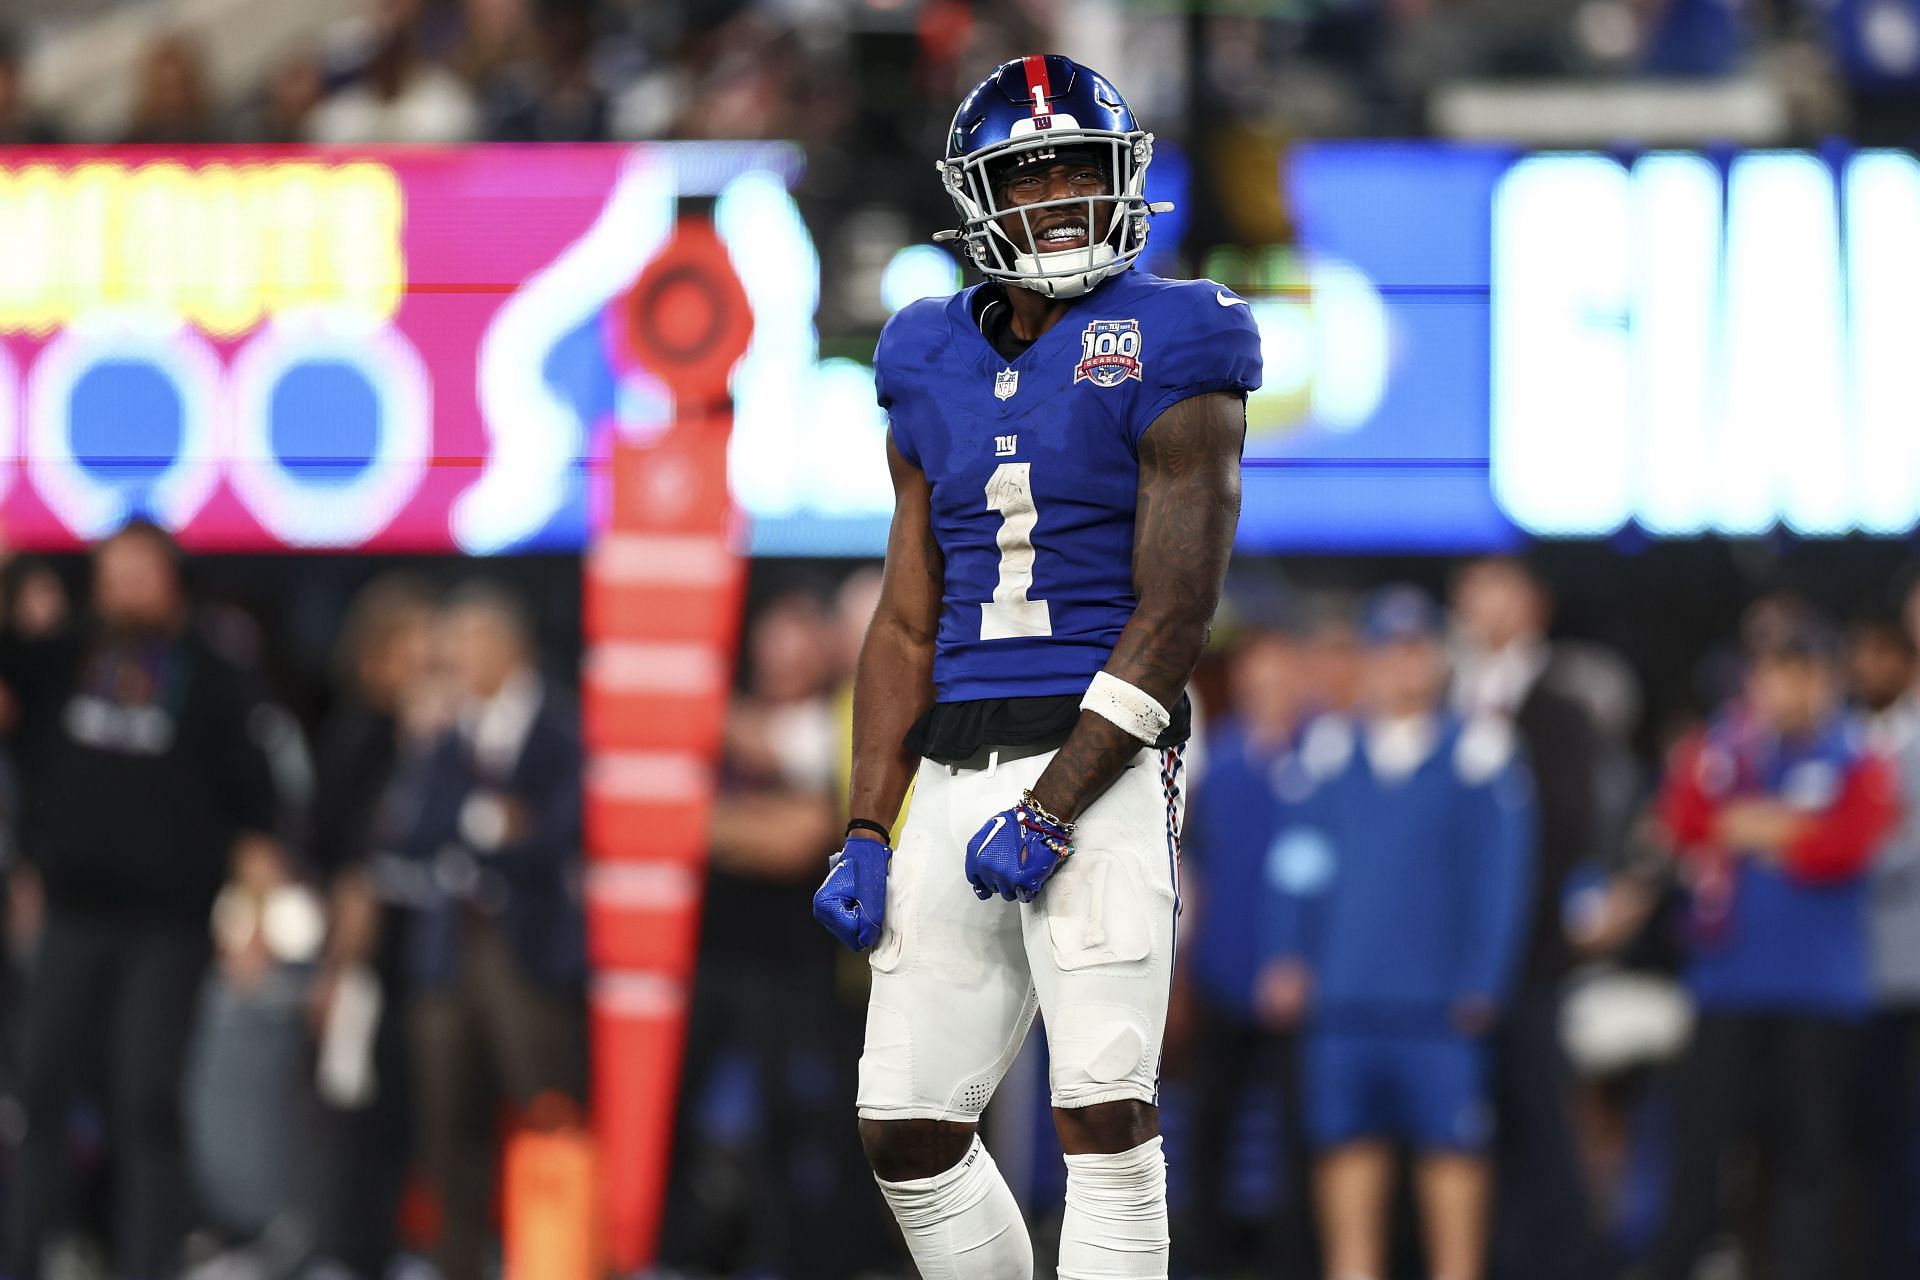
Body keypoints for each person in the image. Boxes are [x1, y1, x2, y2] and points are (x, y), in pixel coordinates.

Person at [810, 54, 1262, 1278]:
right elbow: (907, 617)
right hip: (956, 744)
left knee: (1105, 1114)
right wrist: (865, 820)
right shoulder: (920, 353)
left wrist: (1057, 804)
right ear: (978, 195)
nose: (1060, 192)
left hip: (1100, 747)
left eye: (1080, 165)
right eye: (1031, 170)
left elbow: (1176, 615)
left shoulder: (1181, 332)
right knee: (904, 1122)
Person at [0, 521, 284, 1280]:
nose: (123, 585)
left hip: (170, 924)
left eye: (139, 571)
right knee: (40, 1088)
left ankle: (147, 1262)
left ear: (171, 578)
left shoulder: (218, 676)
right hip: (72, 913)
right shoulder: (61, 658)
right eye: (111, 571)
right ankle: (23, 1256)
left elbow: (259, 814)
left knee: (145, 1096)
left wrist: (254, 922)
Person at [1259, 585, 1535, 1280]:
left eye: (1416, 651)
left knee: (1453, 1176)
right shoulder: (1329, 754)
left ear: (1438, 661)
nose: (1402, 667)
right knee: (1348, 1173)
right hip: (1345, 1003)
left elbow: (1500, 879)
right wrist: (1287, 952)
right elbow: (1296, 863)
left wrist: (1482, 977)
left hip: (1439, 1011)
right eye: (1388, 650)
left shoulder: (1479, 753)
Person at [1648, 609, 1899, 1280]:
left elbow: (1848, 845)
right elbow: (1682, 821)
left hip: (1821, 990)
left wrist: (1761, 828)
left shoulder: (1857, 755)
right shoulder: (1722, 751)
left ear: (1826, 681)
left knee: (1809, 1160)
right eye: (1775, 672)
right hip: (1728, 983)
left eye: (1803, 673)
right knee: (1701, 1153)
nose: (1788, 688)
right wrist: (1791, 827)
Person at [391, 582, 586, 1280]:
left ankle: (557, 1262)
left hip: (529, 954)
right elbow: (414, 830)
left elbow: (561, 831)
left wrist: (489, 836)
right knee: (448, 1128)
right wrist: (489, 822)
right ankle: (458, 1265)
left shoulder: (561, 728)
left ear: (511, 645)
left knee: (547, 1116)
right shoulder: (446, 735)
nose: (455, 657)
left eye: (468, 641)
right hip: (448, 956)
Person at [1448, 556, 1606, 1280]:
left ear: (1533, 603)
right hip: (1453, 963)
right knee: (1469, 1127)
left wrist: (1505, 932)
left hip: (1531, 954)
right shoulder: (1450, 698)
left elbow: (1567, 831)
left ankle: (1562, 1263)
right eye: (1470, 590)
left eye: (1496, 588)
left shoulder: (1562, 703)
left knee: (1541, 1118)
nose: (1478, 603)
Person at [1177, 623, 1318, 1278]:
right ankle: (1202, 1262)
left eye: (1278, 672)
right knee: (1210, 1130)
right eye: (1254, 675)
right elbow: (1193, 873)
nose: (1266, 686)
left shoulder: (1328, 761)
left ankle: (1292, 1263)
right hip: (1223, 977)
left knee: (1304, 1139)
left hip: (1304, 987)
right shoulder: (1219, 765)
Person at [1851, 606, 1920, 1280]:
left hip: (1908, 966)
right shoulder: (1850, 741)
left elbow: (1897, 849)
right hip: (1859, 974)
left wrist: (1823, 846)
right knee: (1872, 1137)